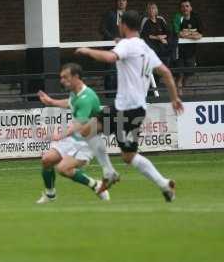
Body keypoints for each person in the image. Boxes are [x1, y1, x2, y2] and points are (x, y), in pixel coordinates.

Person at [76, 10, 184, 202]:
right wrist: (175, 98)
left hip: (125, 109)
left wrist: (87, 51)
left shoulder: (127, 44)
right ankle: (164, 184)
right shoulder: (145, 47)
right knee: (129, 156)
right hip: (137, 109)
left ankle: (109, 172)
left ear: (123, 25)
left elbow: (110, 58)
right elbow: (166, 73)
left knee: (88, 130)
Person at [36, 63, 118, 204]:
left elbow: (78, 126)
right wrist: (51, 101)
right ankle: (50, 195)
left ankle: (95, 185)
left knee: (63, 169)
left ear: (76, 77)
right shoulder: (75, 92)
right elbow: (71, 103)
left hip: (87, 141)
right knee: (46, 160)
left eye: (65, 77)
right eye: (61, 77)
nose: (62, 80)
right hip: (73, 137)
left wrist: (58, 136)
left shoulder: (87, 98)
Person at [172, 0, 203, 95]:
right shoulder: (178, 17)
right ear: (180, 8)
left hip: (191, 51)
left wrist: (187, 34)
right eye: (183, 6)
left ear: (191, 8)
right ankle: (179, 97)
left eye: (187, 6)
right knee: (180, 75)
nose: (185, 8)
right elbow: (178, 34)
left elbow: (200, 35)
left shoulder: (196, 17)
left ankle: (181, 89)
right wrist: (193, 34)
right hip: (179, 50)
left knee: (188, 74)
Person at [100, 0, 128, 98]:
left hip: (125, 49)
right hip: (111, 48)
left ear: (126, 2)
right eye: (120, 0)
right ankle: (110, 97)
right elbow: (102, 28)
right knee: (110, 73)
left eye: (124, 0)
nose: (122, 2)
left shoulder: (128, 15)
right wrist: (113, 39)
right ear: (116, 2)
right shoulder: (110, 14)